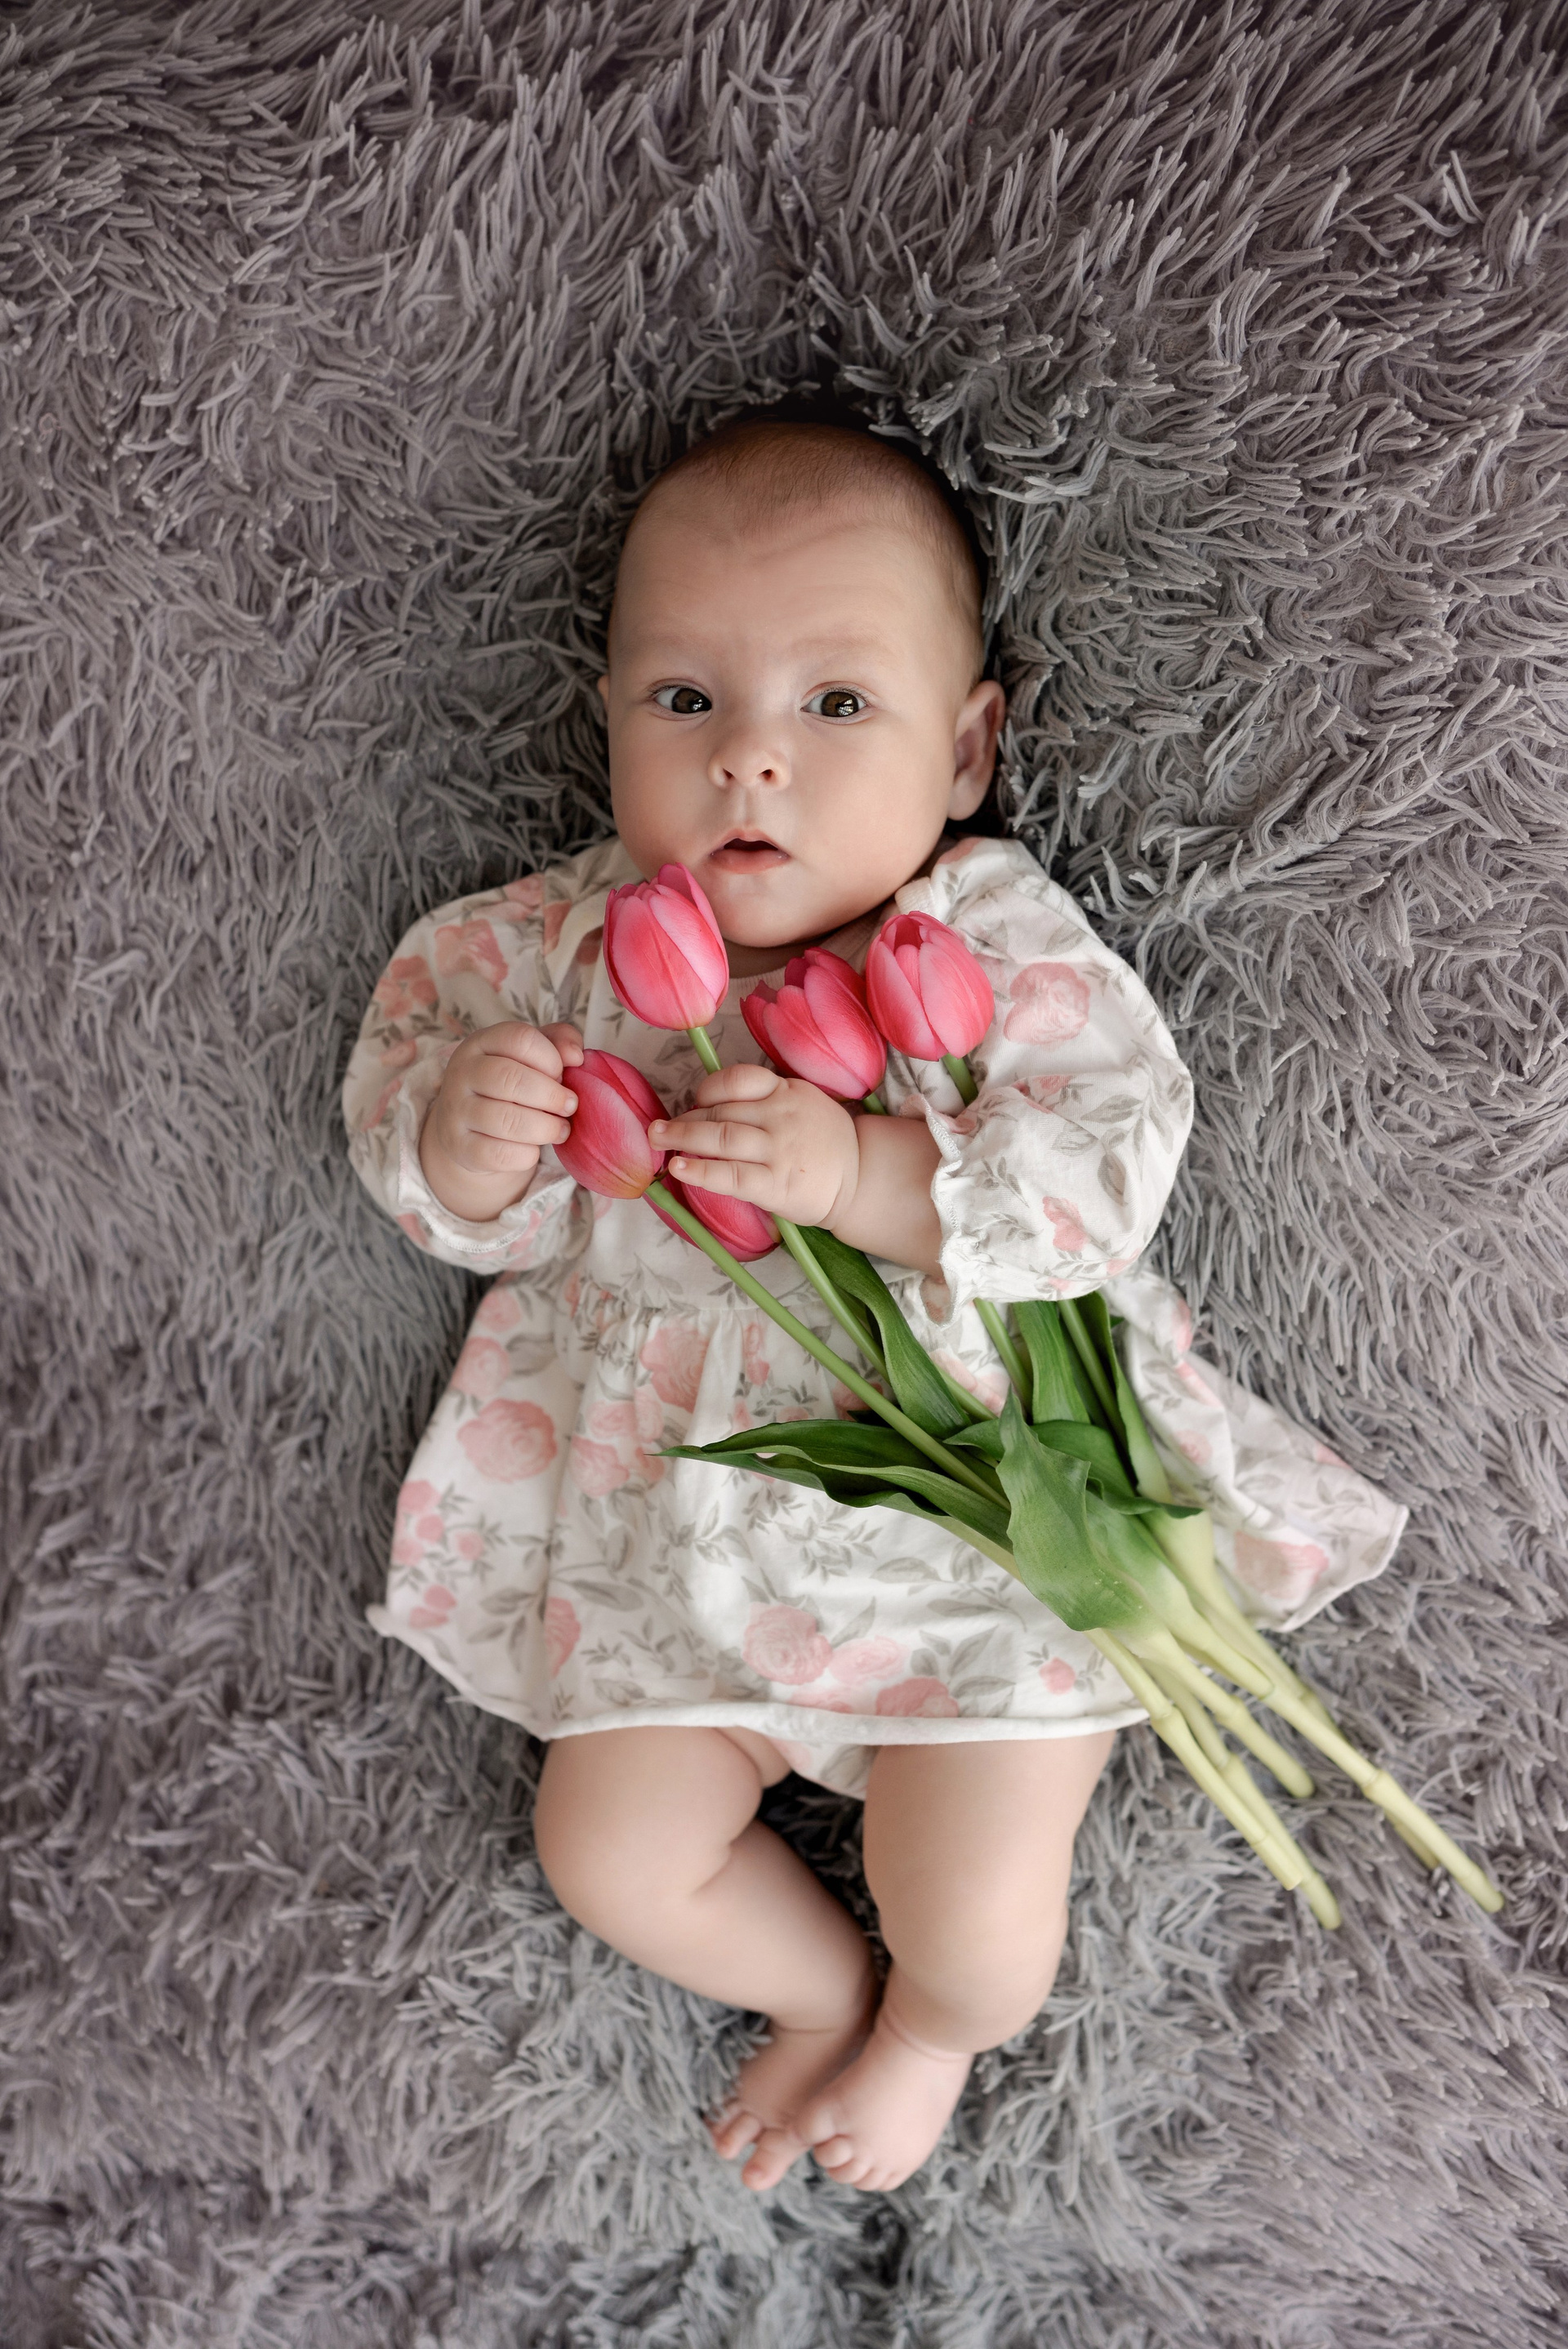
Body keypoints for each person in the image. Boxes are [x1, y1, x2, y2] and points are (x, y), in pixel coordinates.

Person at [342, 414, 1406, 2194]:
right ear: (605, 721)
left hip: (981, 1543)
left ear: (967, 748)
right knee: (608, 1852)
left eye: (836, 704)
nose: (749, 757)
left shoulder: (969, 933)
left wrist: (861, 1176)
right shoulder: (537, 951)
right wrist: (461, 1136)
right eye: (685, 699)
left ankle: (922, 2030)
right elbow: (437, 1160)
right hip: (669, 1548)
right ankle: (823, 1987)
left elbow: (1105, 1162)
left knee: (978, 1933)